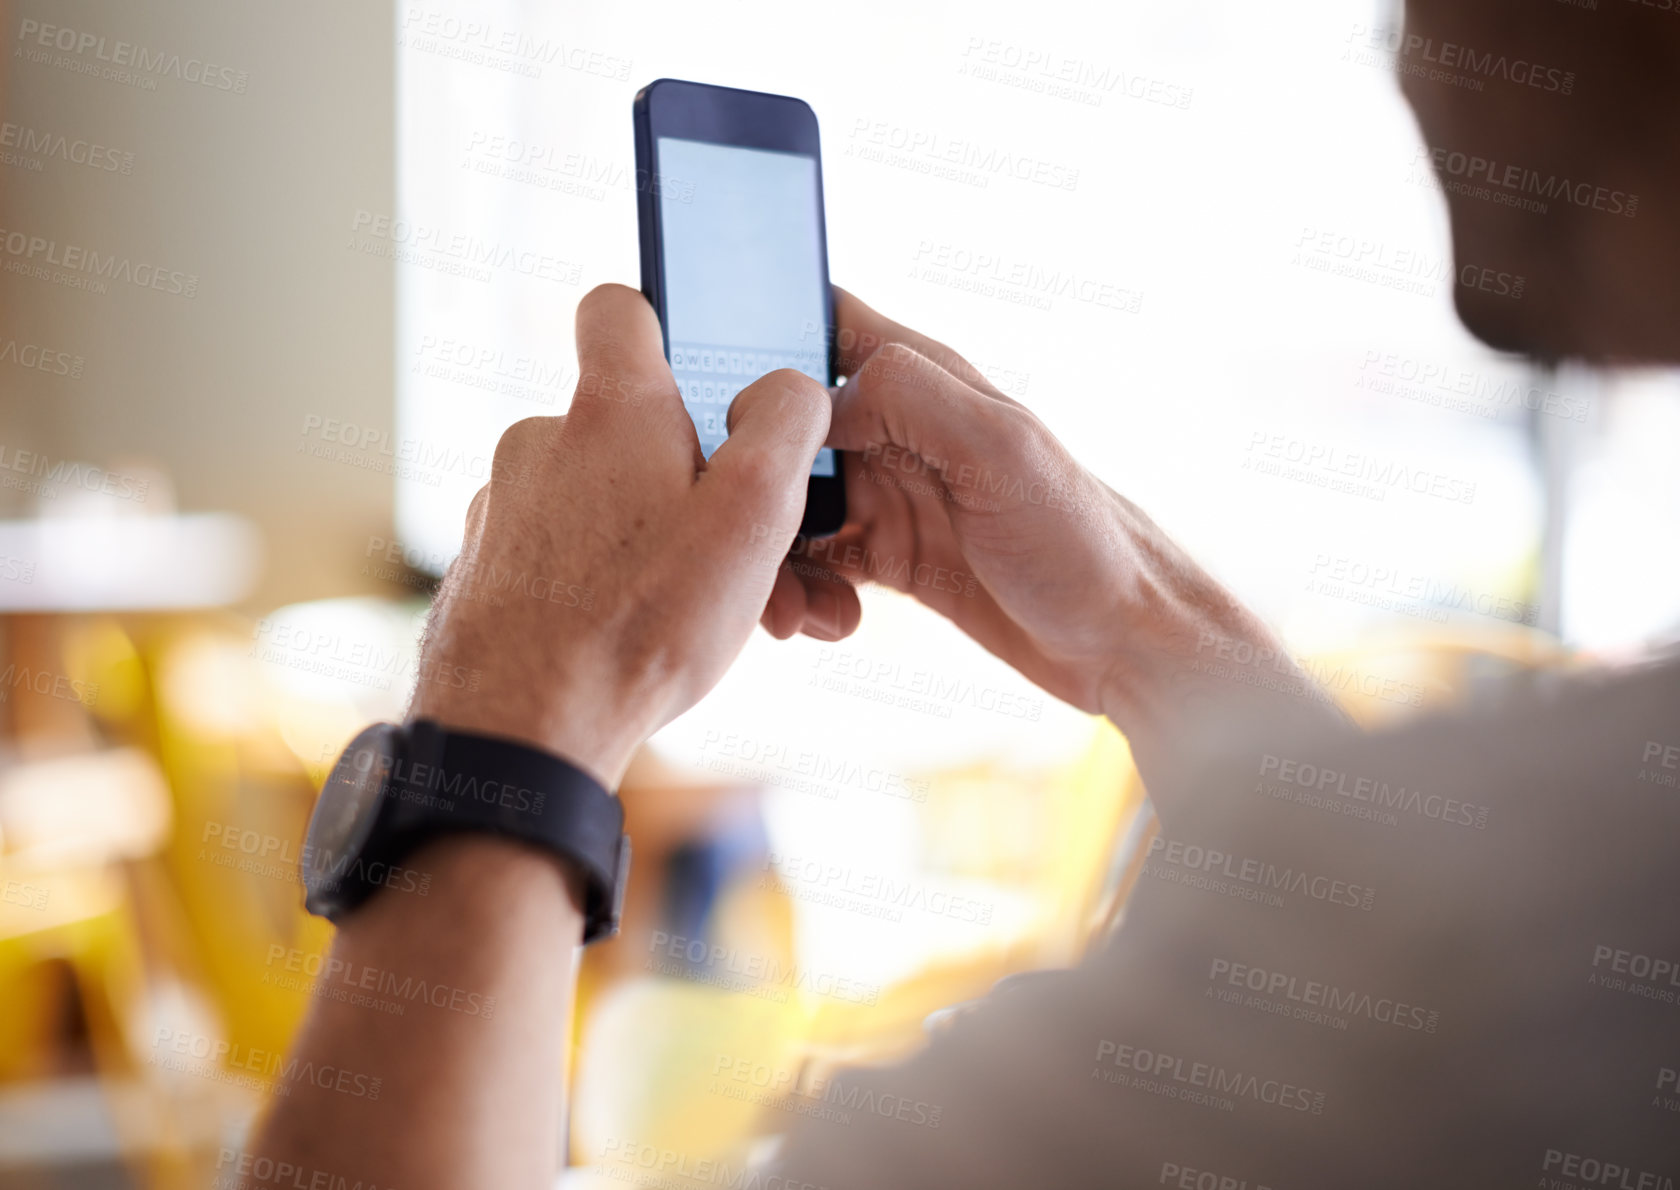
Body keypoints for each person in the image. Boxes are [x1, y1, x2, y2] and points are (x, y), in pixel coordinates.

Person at [246, 0, 1680, 1185]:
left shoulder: (1490, 938)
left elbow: (1397, 948)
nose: (1400, 27)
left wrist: (512, 719)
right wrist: (1134, 621)